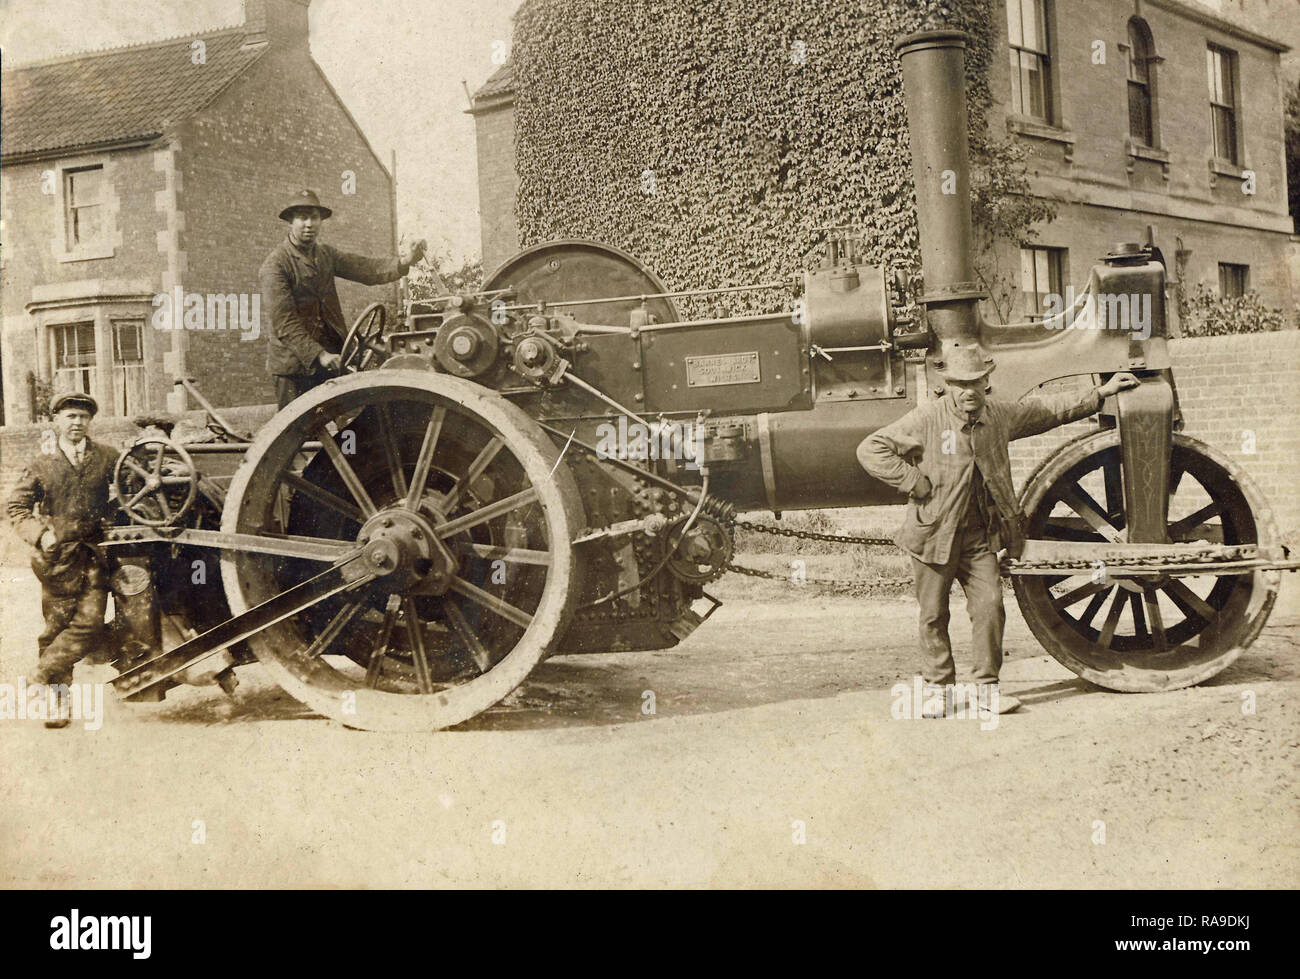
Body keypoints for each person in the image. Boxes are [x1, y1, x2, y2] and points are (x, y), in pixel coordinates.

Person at [858, 341, 1139, 718]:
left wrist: (1100, 393)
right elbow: (872, 448)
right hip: (933, 535)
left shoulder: (999, 417)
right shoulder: (926, 419)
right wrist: (914, 482)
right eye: (960, 384)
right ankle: (939, 689)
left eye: (976, 383)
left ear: (986, 382)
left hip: (979, 538)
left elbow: (1048, 411)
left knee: (991, 607)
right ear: (948, 384)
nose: (968, 392)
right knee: (933, 614)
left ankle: (986, 689)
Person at [6, 392, 119, 728]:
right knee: (55, 631)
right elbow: (16, 508)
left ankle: (36, 676)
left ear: (90, 422)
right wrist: (41, 534)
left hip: (94, 556)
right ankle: (57, 705)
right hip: (55, 562)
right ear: (56, 421)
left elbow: (128, 488)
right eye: (70, 417)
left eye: (83, 418)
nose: (77, 423)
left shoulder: (107, 457)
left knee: (90, 623)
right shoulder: (40, 463)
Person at [261, 189, 427, 408]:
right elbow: (285, 323)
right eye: (302, 217)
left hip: (331, 359)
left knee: (353, 421)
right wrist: (319, 355)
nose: (309, 224)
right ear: (290, 222)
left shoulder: (326, 255)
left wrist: (404, 261)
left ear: (321, 221)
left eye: (314, 217)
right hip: (294, 367)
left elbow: (365, 269)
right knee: (297, 434)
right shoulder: (276, 265)